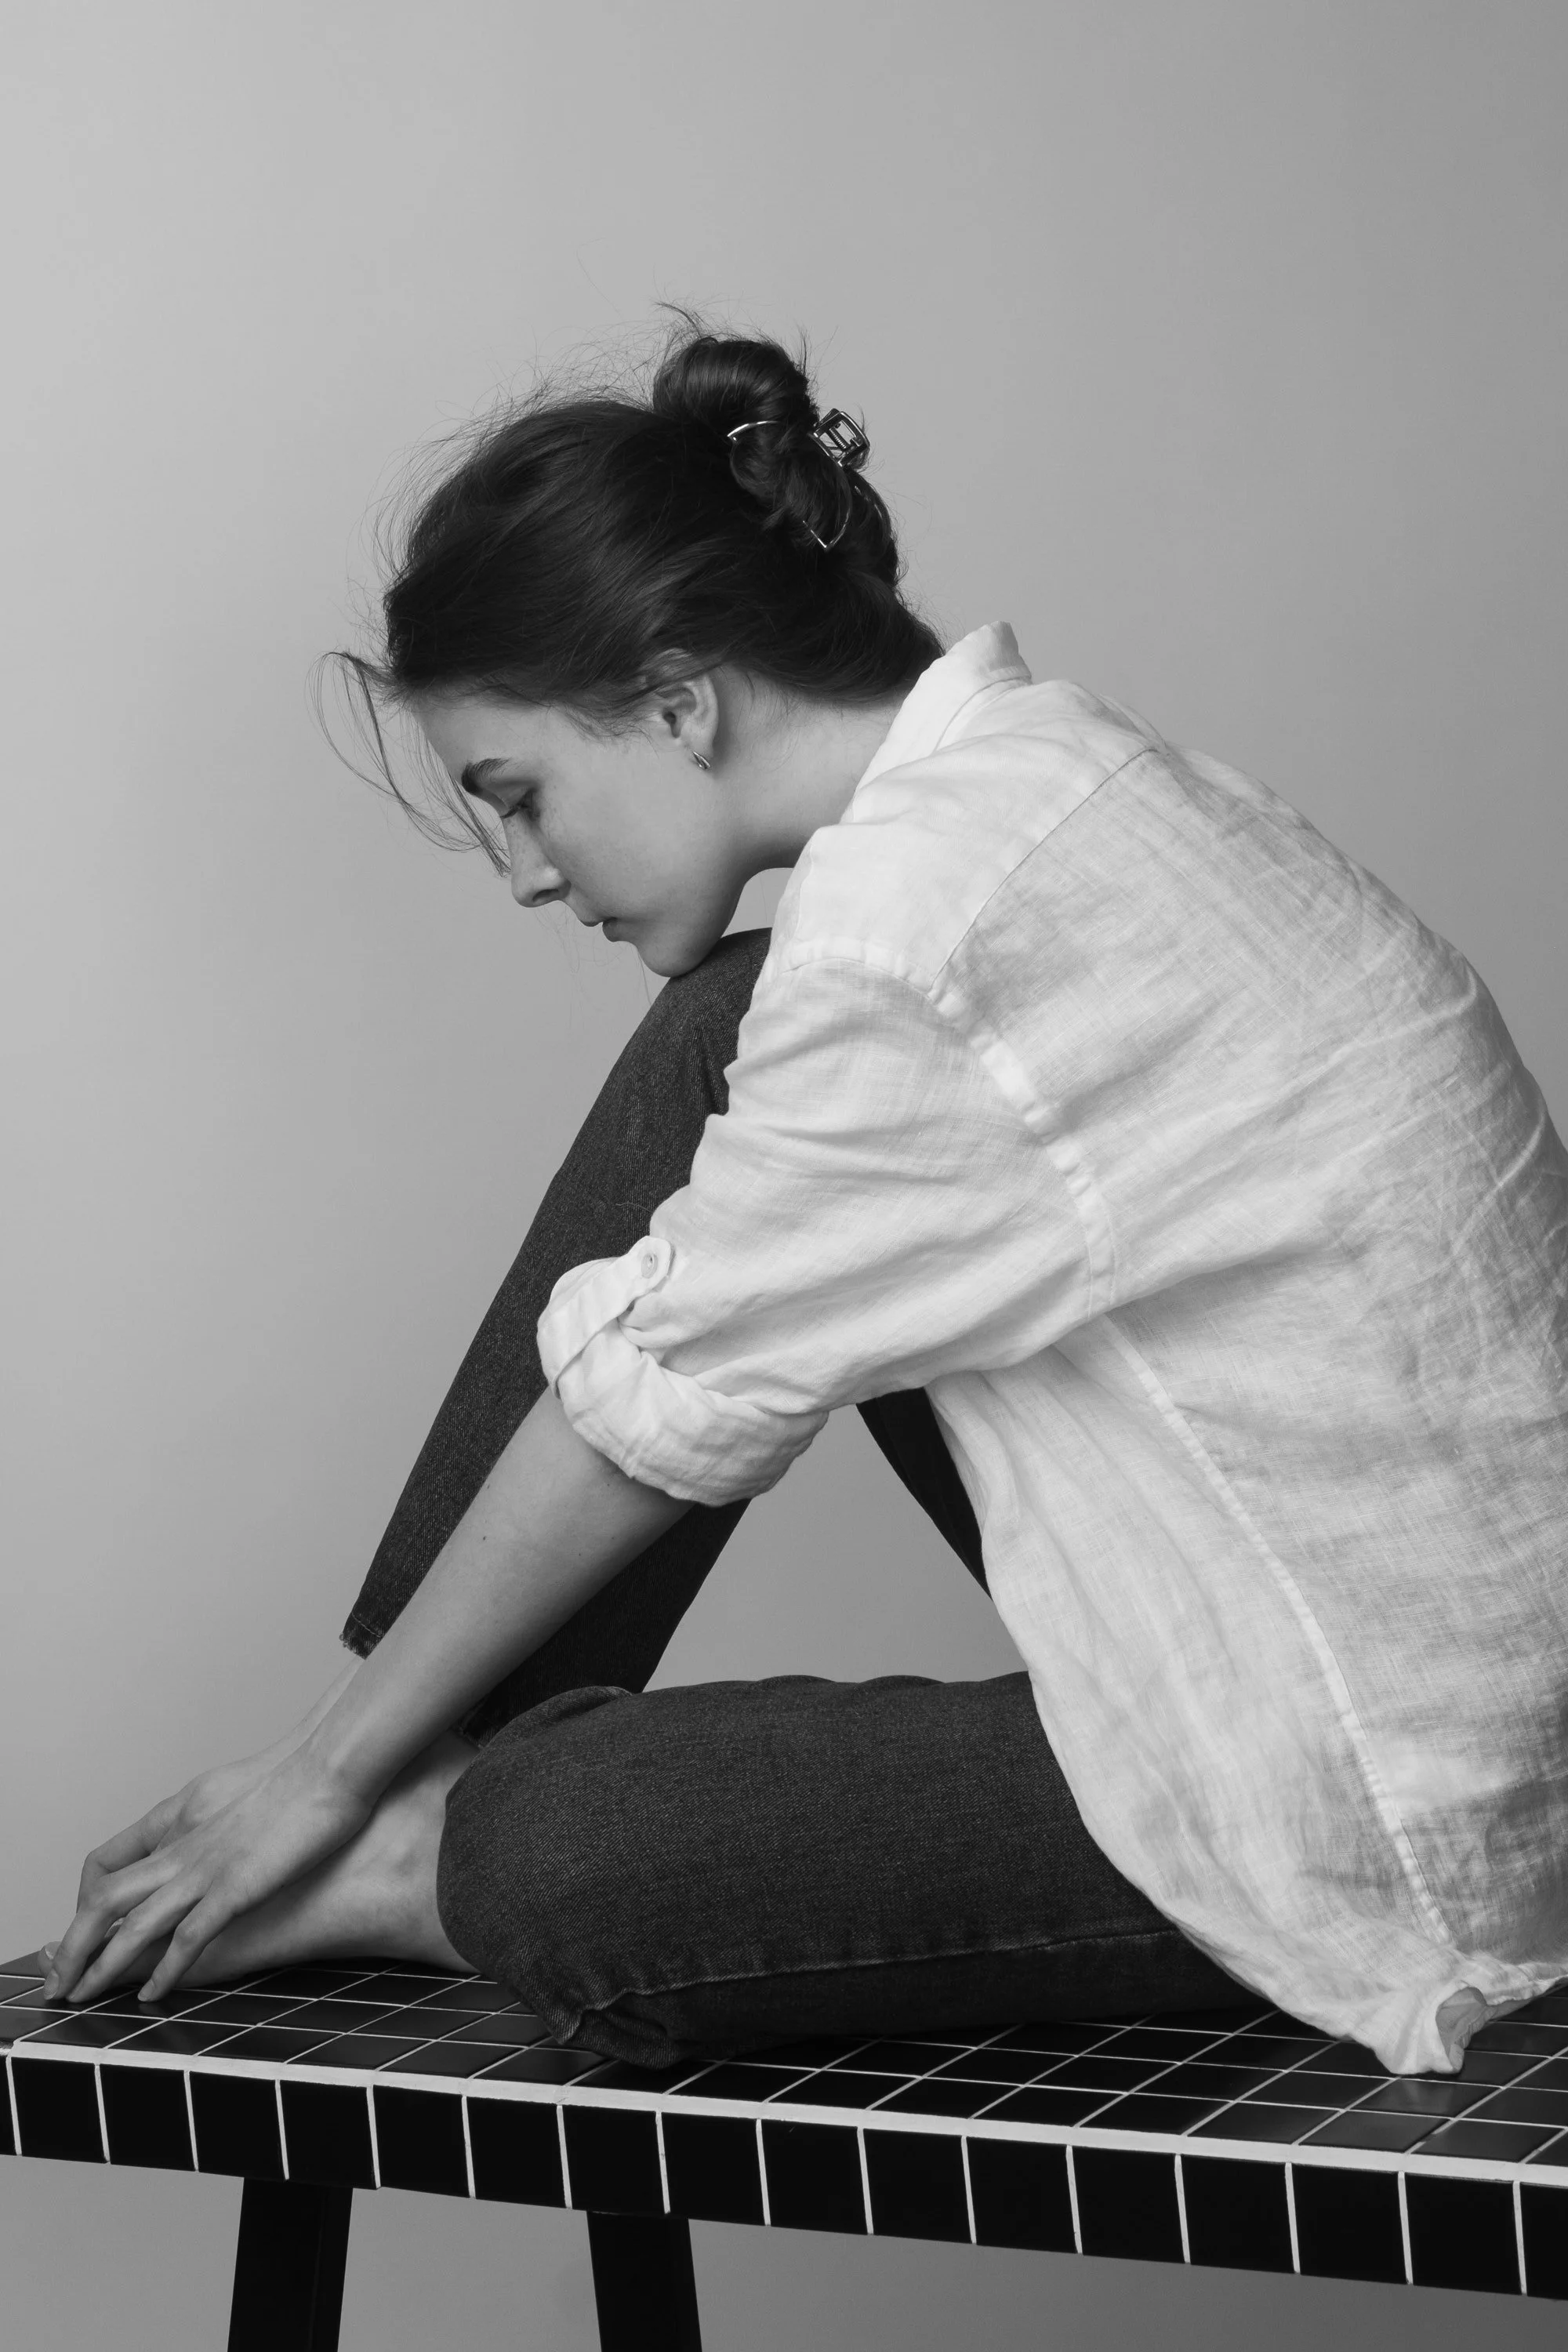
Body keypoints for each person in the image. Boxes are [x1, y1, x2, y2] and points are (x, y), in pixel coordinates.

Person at [42, 324, 1568, 2078]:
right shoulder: (1044, 786)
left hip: (1380, 1805)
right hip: (1373, 1665)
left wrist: (312, 1777)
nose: (527, 873)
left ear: (680, 700)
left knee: (550, 1854)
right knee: (724, 1029)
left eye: (519, 795)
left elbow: (662, 1402)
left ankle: (393, 1828)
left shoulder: (919, 932)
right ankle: (407, 1769)